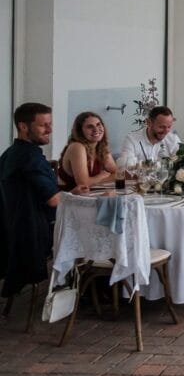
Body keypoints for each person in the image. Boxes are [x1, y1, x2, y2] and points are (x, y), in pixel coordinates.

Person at [0, 103, 67, 302]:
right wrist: (80, 196)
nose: (50, 130)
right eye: (43, 125)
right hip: (35, 234)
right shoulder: (30, 157)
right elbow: (54, 200)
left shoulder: (9, 154)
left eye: (50, 124)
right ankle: (93, 290)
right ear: (23, 126)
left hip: (13, 231)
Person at [57, 112, 117, 190]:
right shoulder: (77, 147)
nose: (96, 129)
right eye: (90, 127)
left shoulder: (101, 147)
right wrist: (102, 176)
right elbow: (83, 184)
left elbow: (118, 174)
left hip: (90, 195)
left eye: (98, 124)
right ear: (80, 131)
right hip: (68, 197)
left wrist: (95, 180)